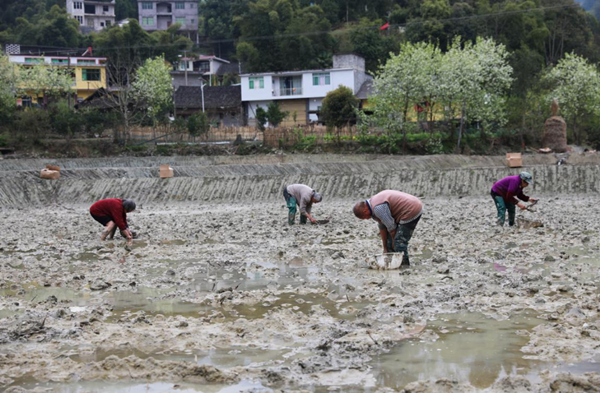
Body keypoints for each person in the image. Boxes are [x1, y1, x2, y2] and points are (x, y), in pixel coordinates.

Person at [353, 190, 423, 266]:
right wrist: (385, 248)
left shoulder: (377, 208)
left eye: (364, 216)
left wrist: (394, 241)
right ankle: (392, 263)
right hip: (406, 208)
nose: (366, 219)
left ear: (365, 210)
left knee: (399, 242)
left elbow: (391, 227)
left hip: (412, 209)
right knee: (389, 244)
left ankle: (404, 267)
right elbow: (382, 227)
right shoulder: (372, 206)